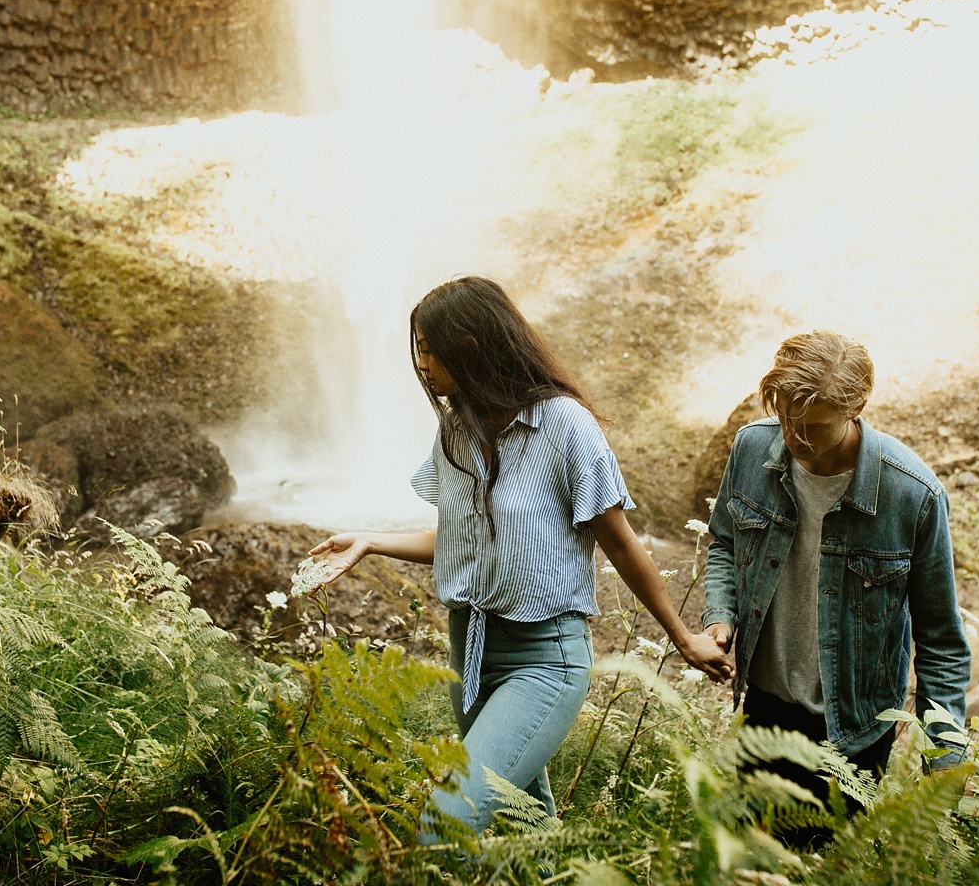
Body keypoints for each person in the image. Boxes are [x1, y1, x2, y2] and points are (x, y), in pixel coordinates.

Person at [302, 275, 730, 834]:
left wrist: (682, 638)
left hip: (543, 660)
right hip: (471, 654)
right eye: (420, 352)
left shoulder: (565, 425)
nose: (423, 367)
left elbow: (621, 542)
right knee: (529, 831)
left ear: (471, 347)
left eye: (430, 351)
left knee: (445, 824)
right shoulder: (455, 430)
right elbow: (458, 539)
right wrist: (368, 540)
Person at [702, 330, 970, 815]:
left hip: (855, 726)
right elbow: (723, 539)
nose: (795, 437)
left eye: (814, 425)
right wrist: (721, 614)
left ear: (857, 406)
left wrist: (946, 753)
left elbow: (941, 640)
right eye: (785, 417)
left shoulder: (913, 495)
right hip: (764, 704)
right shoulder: (750, 449)